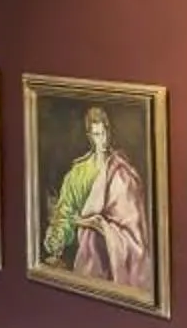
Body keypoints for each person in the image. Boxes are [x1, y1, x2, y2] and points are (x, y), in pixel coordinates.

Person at [42, 104, 154, 293]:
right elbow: (65, 214)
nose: (100, 139)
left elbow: (134, 229)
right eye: (96, 134)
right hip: (86, 264)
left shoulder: (123, 173)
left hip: (117, 263)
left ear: (108, 132)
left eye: (102, 133)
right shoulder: (77, 173)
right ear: (89, 136)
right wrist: (57, 237)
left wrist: (99, 225)